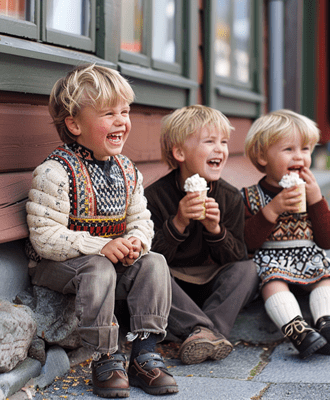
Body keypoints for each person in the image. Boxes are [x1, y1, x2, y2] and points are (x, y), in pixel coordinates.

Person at [26, 64, 178, 398]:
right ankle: (104, 355)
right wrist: (100, 246)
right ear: (74, 124)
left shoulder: (127, 170)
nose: (122, 121)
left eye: (125, 112)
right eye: (109, 113)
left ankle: (145, 351)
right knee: (97, 266)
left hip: (108, 263)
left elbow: (141, 219)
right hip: (59, 266)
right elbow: (45, 237)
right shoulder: (55, 172)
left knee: (154, 262)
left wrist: (136, 241)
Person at [144, 105, 259, 365]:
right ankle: (206, 330)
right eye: (210, 142)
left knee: (249, 269)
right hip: (173, 283)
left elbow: (236, 256)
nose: (220, 149)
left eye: (224, 142)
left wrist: (215, 230)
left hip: (210, 282)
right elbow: (151, 254)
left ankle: (201, 332)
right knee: (147, 270)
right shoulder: (154, 197)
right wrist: (178, 223)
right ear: (179, 152)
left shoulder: (229, 196)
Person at [241, 109, 330, 359]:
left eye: (305, 149)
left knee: (327, 278)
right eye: (289, 149)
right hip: (271, 261)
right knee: (273, 284)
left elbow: (329, 240)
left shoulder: (312, 193)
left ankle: (328, 321)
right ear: (262, 156)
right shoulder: (249, 197)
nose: (299, 156)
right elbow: (247, 241)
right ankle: (298, 330)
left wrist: (316, 201)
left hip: (308, 257)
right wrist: (272, 210)